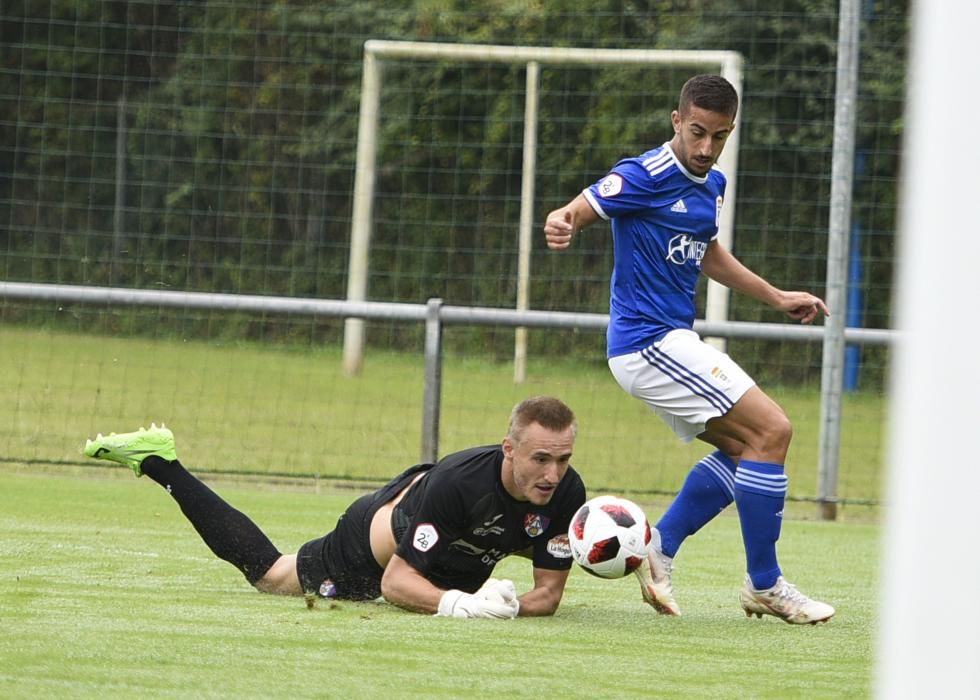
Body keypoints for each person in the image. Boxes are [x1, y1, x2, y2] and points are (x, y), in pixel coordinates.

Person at [543, 74, 834, 625]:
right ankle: (765, 584)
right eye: (697, 132)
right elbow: (580, 208)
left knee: (750, 449)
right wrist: (563, 221)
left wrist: (774, 296)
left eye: (719, 136)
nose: (705, 147)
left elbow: (706, 253)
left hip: (666, 343)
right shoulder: (644, 173)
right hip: (648, 341)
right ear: (677, 120)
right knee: (774, 430)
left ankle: (661, 546)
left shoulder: (712, 184)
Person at [83, 396, 586, 618]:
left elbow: (549, 591)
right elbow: (395, 585)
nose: (552, 474)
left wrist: (510, 607)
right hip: (372, 548)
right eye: (540, 458)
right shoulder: (460, 483)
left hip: (457, 548)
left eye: (562, 459)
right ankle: (160, 462)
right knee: (270, 576)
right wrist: (462, 605)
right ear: (509, 449)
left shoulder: (566, 491)